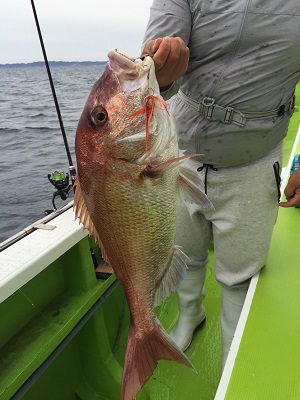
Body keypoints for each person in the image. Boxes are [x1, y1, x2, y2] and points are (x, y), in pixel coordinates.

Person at [141, 0, 300, 368]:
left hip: (255, 159)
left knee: (239, 273)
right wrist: (160, 66)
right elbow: (152, 69)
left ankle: (233, 348)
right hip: (180, 156)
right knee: (185, 249)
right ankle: (189, 314)